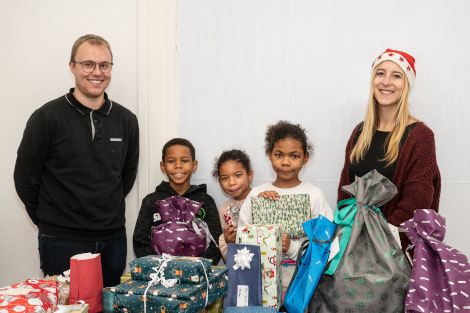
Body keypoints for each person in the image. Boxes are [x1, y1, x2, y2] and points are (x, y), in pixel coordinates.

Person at [14, 34, 139, 287]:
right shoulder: (47, 118)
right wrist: (52, 220)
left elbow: (126, 176)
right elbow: (25, 179)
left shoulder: (127, 120)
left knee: (109, 305)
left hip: (112, 239)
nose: (97, 72)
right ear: (72, 66)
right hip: (61, 240)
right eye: (88, 64)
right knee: (67, 306)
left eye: (104, 65)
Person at [338, 48, 441, 248]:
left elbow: (417, 199)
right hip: (352, 245)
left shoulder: (420, 136)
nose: (386, 82)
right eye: (380, 73)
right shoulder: (359, 132)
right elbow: (344, 191)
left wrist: (378, 240)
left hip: (392, 251)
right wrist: (345, 235)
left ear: (407, 85)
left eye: (396, 76)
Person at [239, 120, 333, 292]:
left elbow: (326, 246)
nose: (286, 162)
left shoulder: (315, 196)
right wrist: (261, 209)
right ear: (269, 155)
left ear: (305, 158)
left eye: (294, 156)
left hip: (302, 286)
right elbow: (242, 239)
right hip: (260, 286)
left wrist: (292, 247)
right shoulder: (256, 195)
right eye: (279, 155)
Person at [133, 138, 222, 264]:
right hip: (159, 275)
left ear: (194, 165)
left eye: (184, 160)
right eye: (171, 161)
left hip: (198, 275)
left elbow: (216, 241)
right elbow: (140, 241)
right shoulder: (151, 201)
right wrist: (159, 267)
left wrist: (201, 267)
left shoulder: (205, 201)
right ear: (162, 166)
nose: (178, 165)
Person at [212, 149, 253, 261]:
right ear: (219, 182)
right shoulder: (224, 210)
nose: (231, 182)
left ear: (249, 175)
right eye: (225, 178)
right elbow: (228, 259)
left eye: (238, 175)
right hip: (242, 266)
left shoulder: (260, 198)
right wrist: (229, 241)